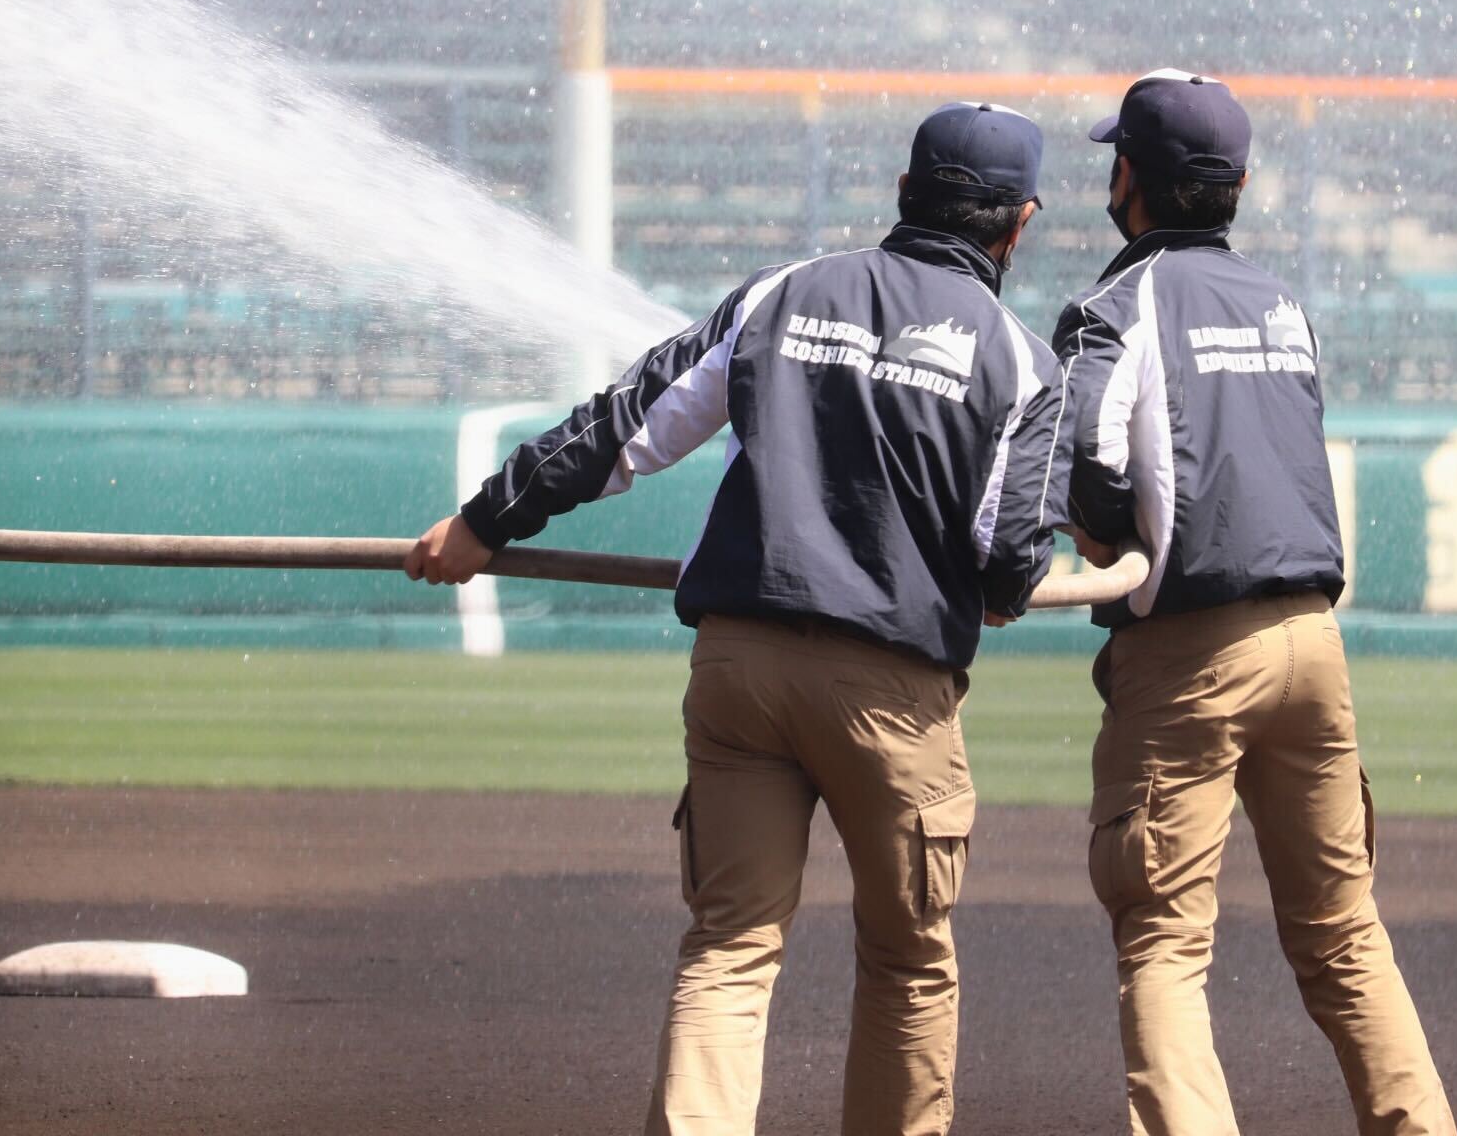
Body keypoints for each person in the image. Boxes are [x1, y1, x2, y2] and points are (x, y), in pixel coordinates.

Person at [406, 102, 1064, 1136]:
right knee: (907, 964)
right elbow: (1012, 565)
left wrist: (487, 521)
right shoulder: (1022, 361)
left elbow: (625, 429)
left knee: (730, 947)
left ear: (902, 193)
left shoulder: (783, 293)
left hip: (742, 667)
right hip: (893, 695)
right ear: (1019, 223)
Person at [1047, 71, 1454, 1136]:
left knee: (1166, 944)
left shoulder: (1116, 303)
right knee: (1345, 933)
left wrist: (1102, 535)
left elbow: (1079, 451)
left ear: (1132, 177)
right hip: (1313, 644)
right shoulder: (1281, 301)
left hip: (1189, 649)